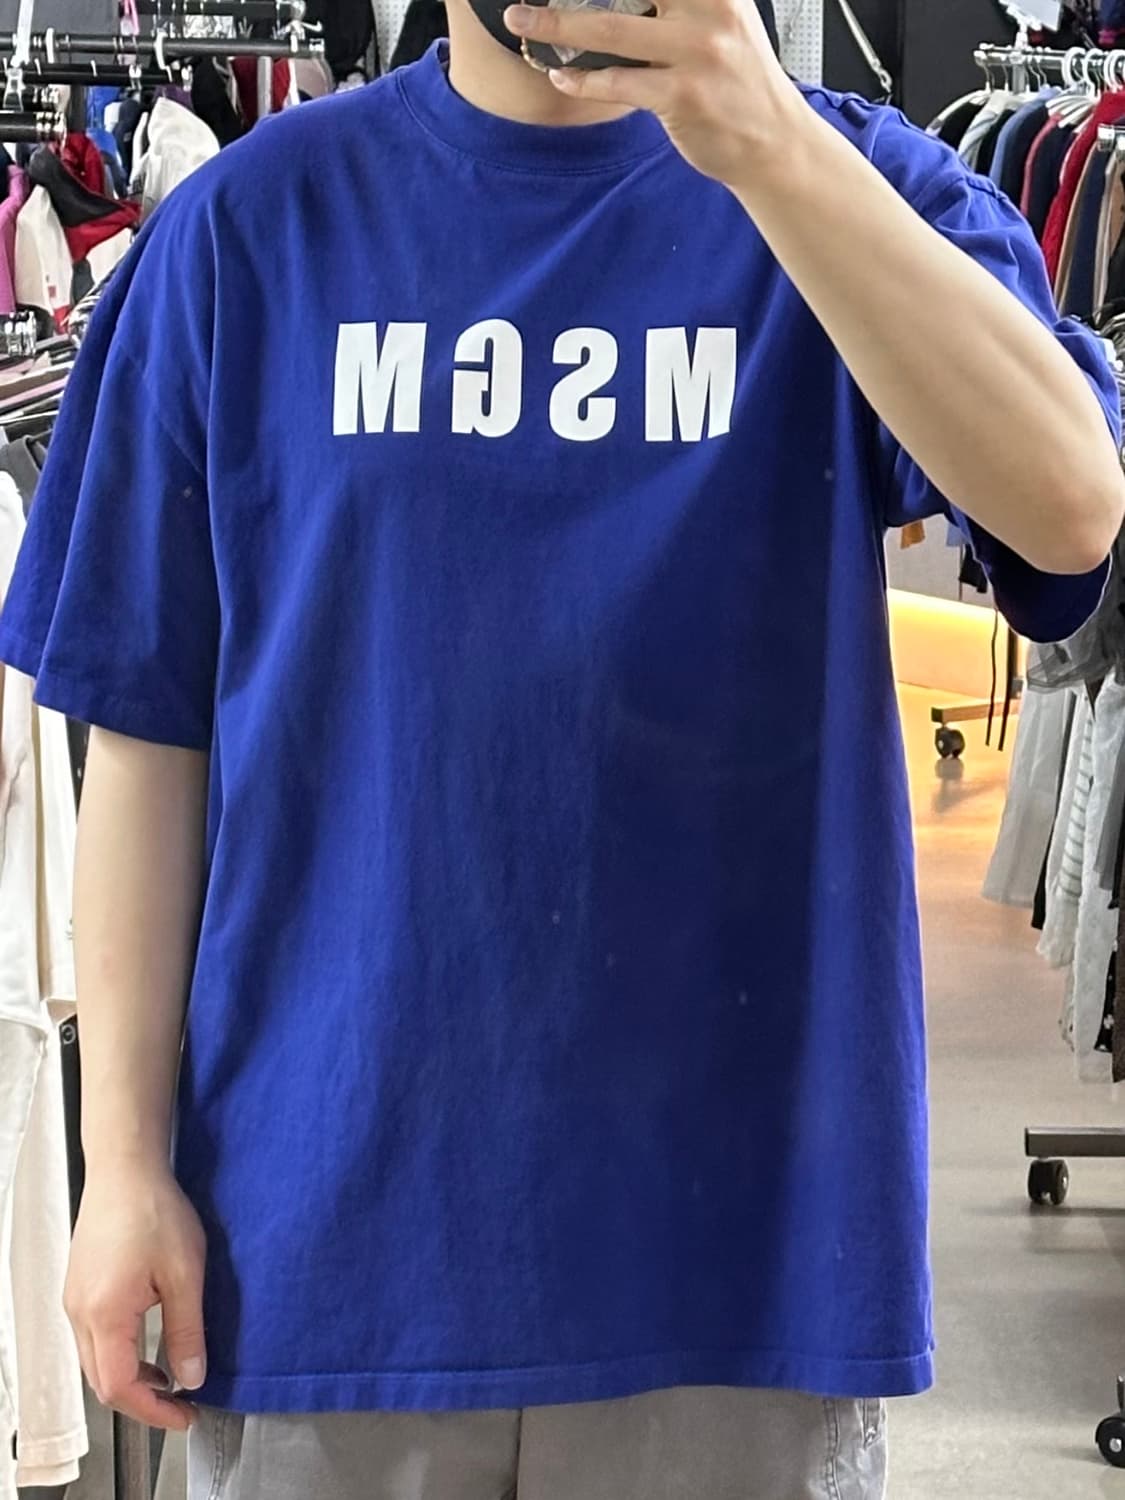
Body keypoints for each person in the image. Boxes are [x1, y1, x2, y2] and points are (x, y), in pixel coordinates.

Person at [1, 0, 1122, 1495]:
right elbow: (147, 737)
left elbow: (1068, 512)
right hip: (325, 1244)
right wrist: (125, 1164)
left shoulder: (855, 184)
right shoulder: (246, 230)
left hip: (736, 1257)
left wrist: (768, 147)